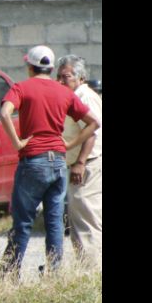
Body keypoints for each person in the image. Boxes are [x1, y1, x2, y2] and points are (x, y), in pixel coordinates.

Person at [0, 45, 100, 278]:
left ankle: (10, 274)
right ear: (51, 68)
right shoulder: (64, 92)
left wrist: (16, 142)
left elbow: (5, 113)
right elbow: (93, 123)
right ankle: (53, 274)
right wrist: (69, 145)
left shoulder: (21, 88)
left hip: (33, 160)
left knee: (23, 220)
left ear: (29, 67)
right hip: (58, 163)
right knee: (54, 222)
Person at [56, 55, 102, 268]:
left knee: (86, 220)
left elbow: (92, 131)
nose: (61, 82)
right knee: (79, 218)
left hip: (88, 166)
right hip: (80, 165)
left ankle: (92, 274)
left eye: (66, 77)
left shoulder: (84, 96)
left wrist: (80, 162)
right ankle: (87, 270)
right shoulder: (74, 96)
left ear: (80, 77)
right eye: (59, 77)